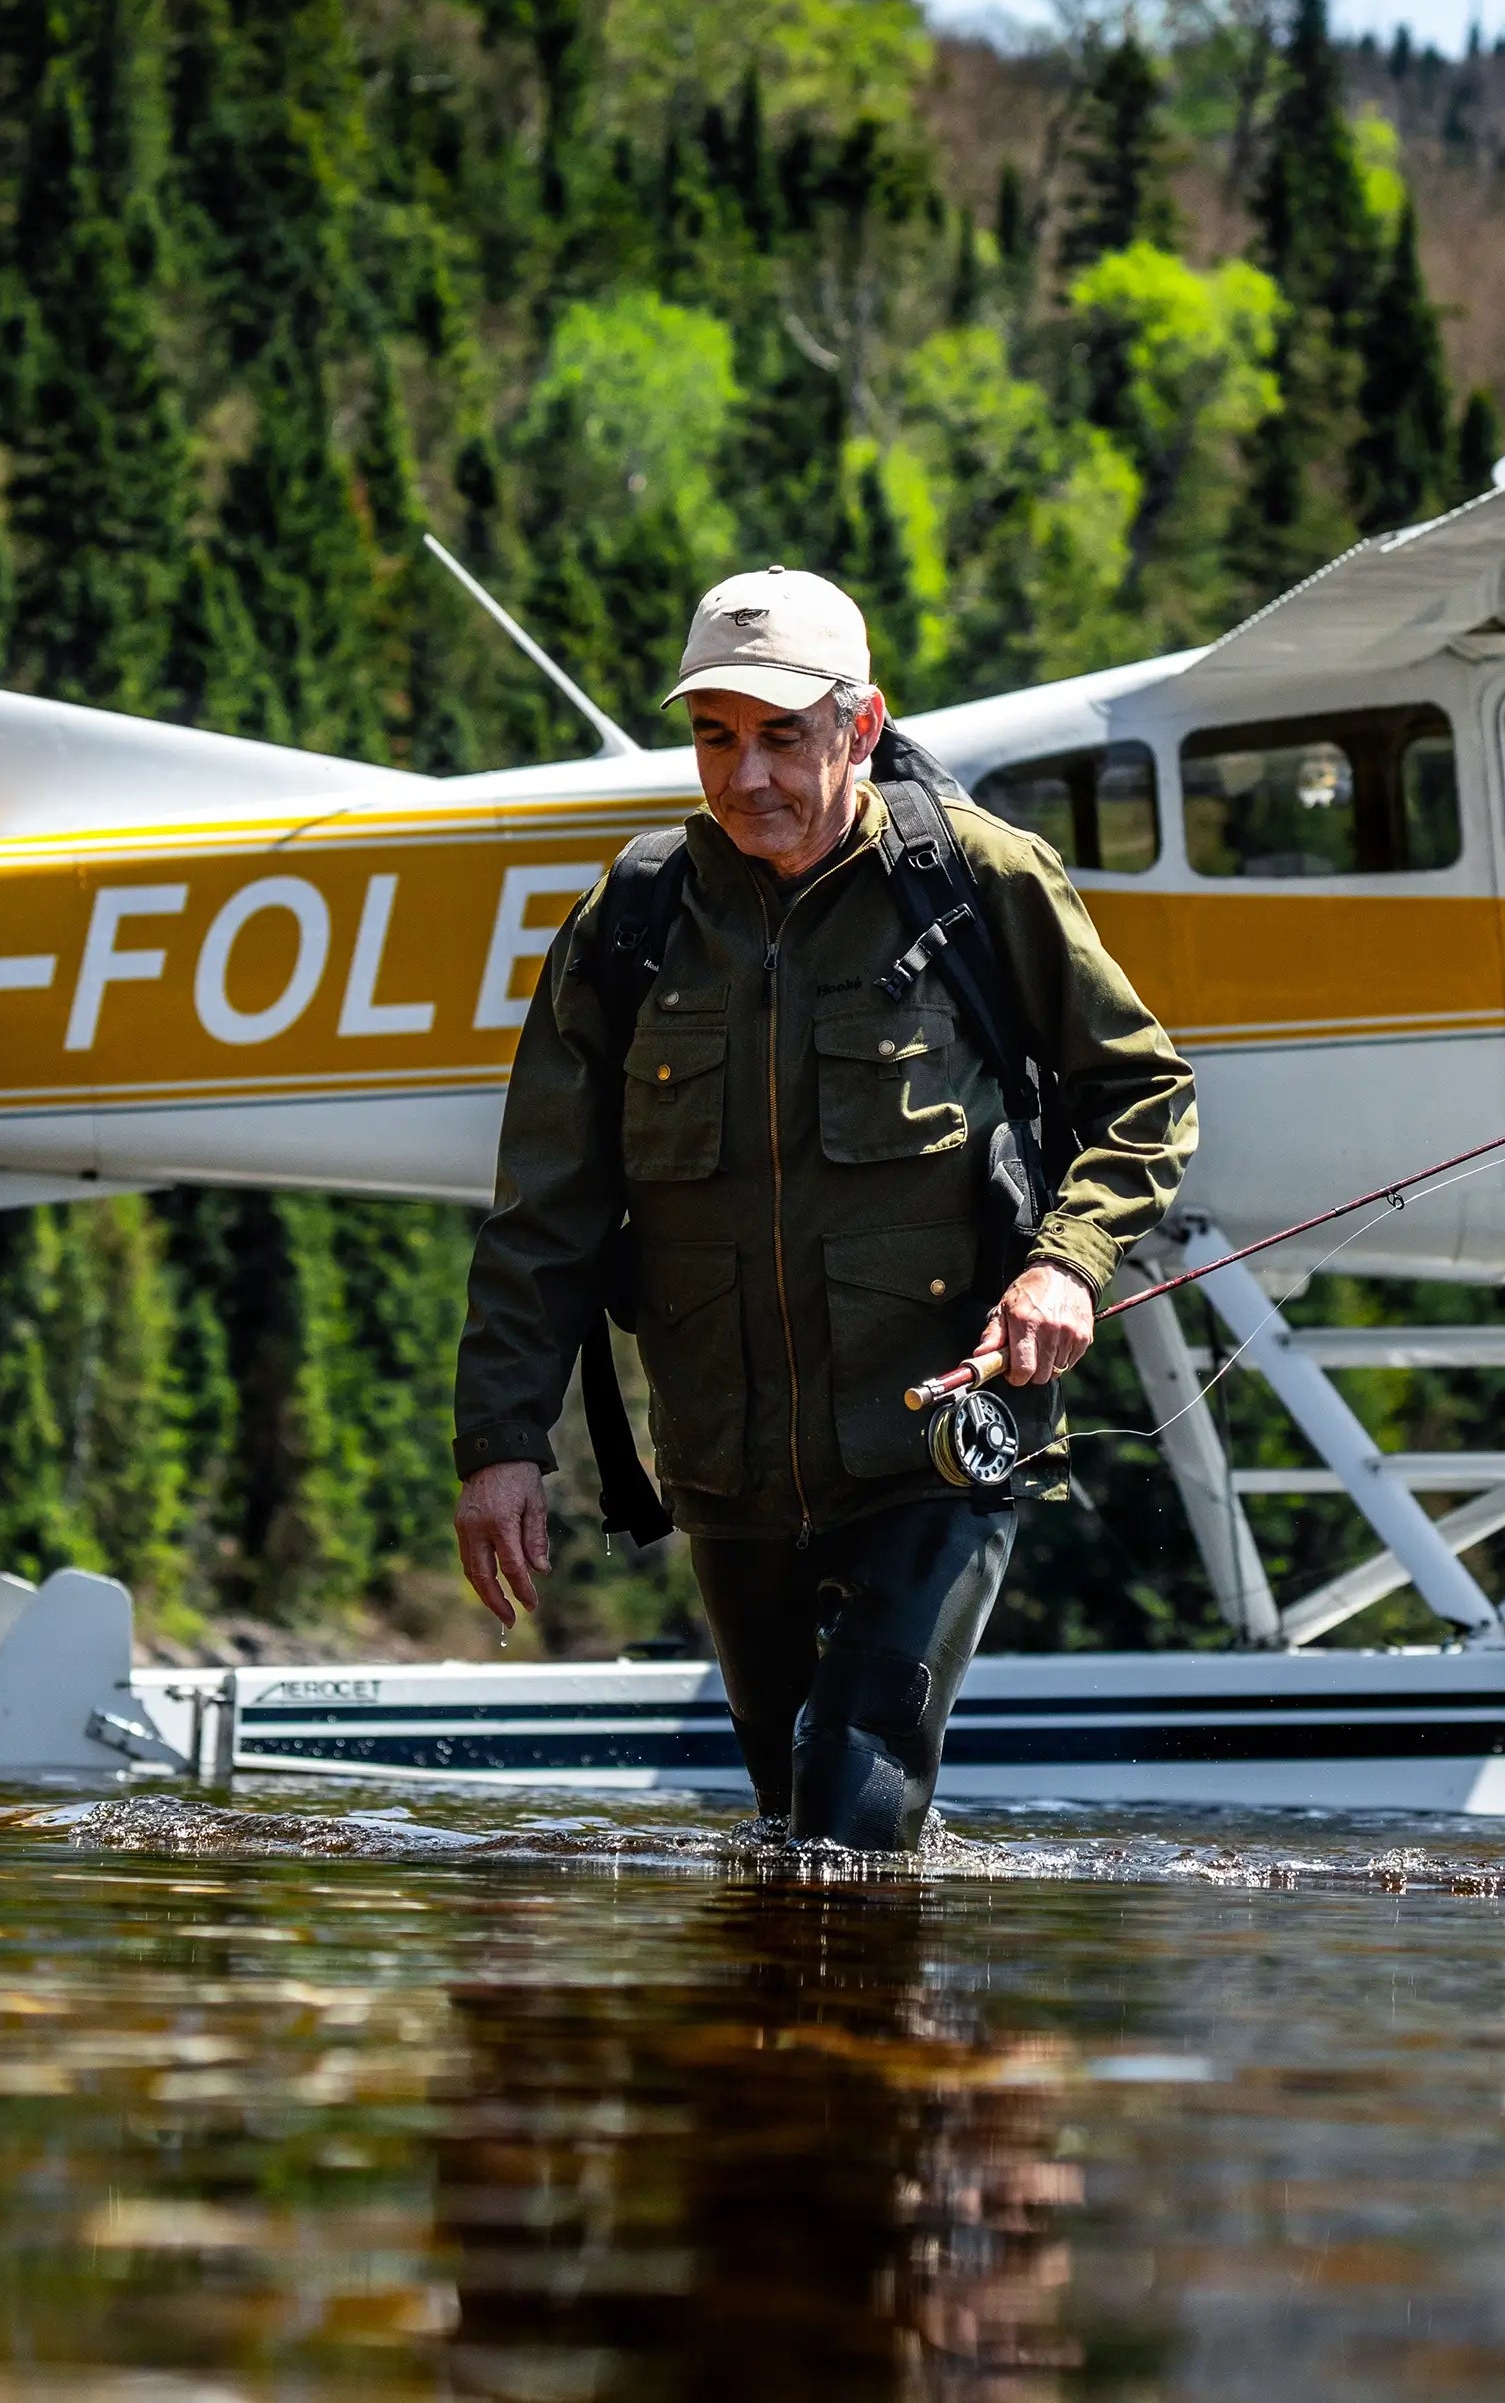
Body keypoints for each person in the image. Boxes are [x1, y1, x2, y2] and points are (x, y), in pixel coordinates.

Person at [451, 565, 1196, 1849]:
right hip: (726, 1468)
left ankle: (872, 2036)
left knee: (849, 1811)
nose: (746, 778)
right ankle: (872, 2050)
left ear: (860, 726)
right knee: (790, 1824)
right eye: (714, 737)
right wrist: (499, 1445)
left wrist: (1068, 1264)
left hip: (938, 1451)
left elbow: (1140, 1093)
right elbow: (545, 1214)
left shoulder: (973, 879)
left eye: (782, 737)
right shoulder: (628, 923)